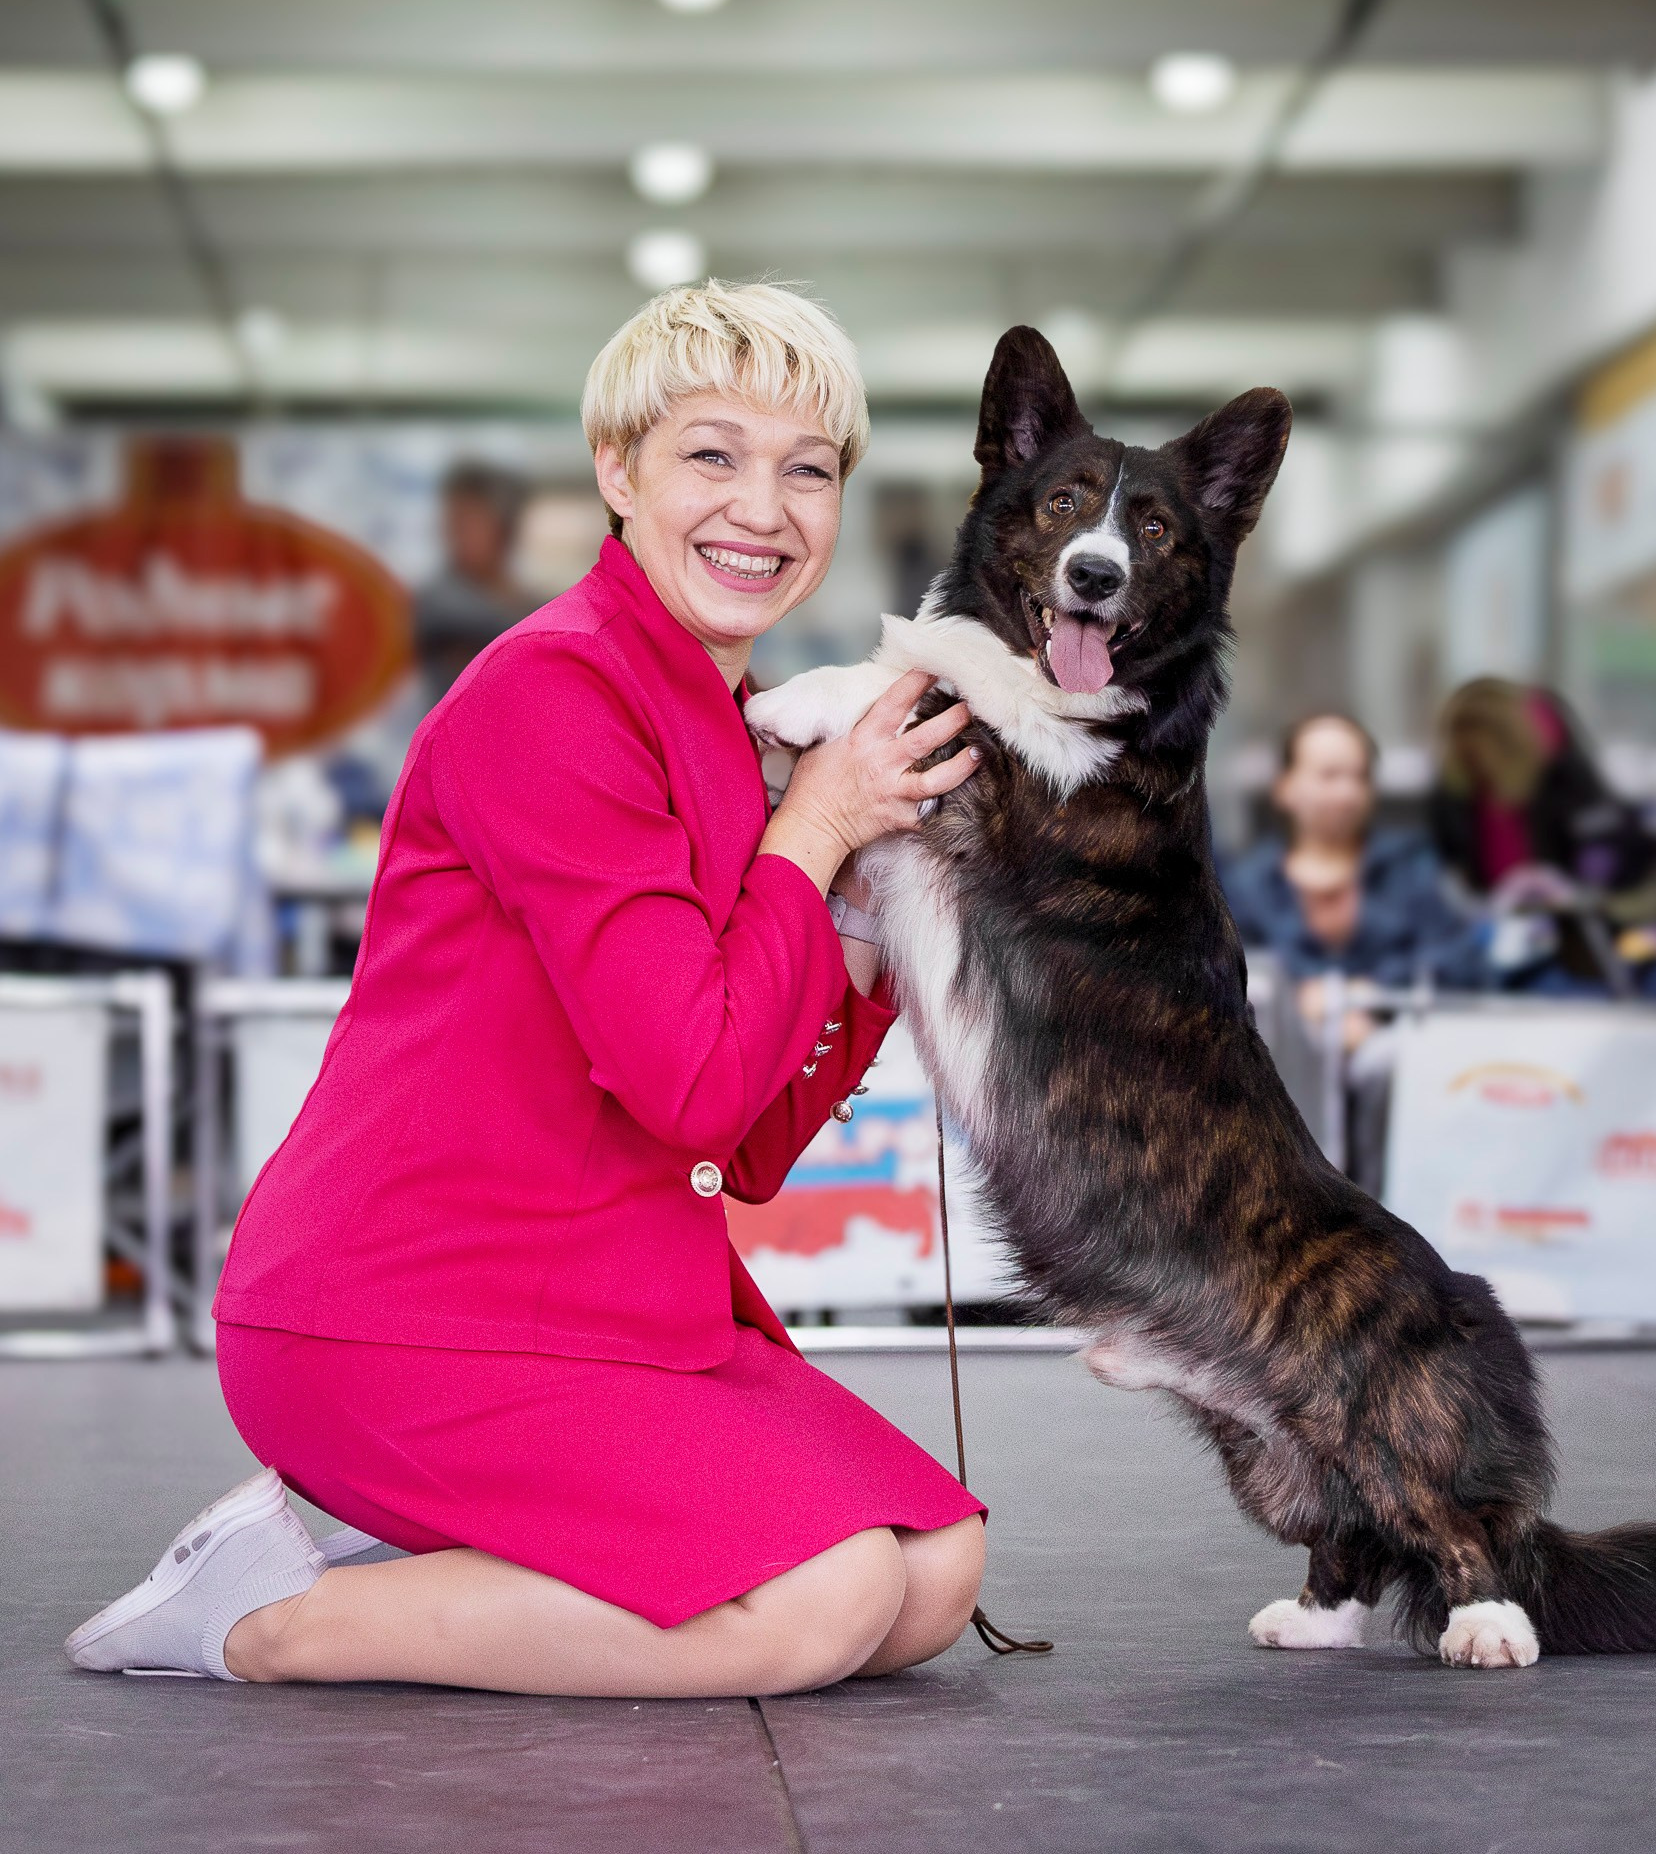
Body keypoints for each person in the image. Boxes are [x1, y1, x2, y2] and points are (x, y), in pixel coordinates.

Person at [67, 282, 988, 1699]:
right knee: (827, 1597)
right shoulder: (552, 693)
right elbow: (692, 1079)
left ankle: (402, 1574)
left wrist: (862, 899)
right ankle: (256, 1618)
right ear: (617, 472)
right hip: (409, 1306)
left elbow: (743, 1143)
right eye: (712, 455)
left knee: (930, 1578)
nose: (764, 508)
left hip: (619, 1301)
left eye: (808, 470)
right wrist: (817, 828)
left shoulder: (731, 732)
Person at [1220, 711, 1480, 1049]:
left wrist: (1375, 995)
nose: (1347, 792)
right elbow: (1223, 983)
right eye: (1330, 776)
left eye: (1360, 777)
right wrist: (1300, 1003)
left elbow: (1462, 961)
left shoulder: (1411, 868)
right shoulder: (1247, 886)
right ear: (1285, 787)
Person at [1430, 677, 1648, 906]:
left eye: (1478, 756)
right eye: (1467, 759)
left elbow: (1605, 864)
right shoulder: (1454, 797)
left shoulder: (1567, 784)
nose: (1477, 768)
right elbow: (1455, 869)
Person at [410, 458, 533, 706]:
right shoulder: (437, 605)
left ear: (503, 528)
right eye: (453, 522)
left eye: (469, 522)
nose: (455, 534)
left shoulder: (535, 602)